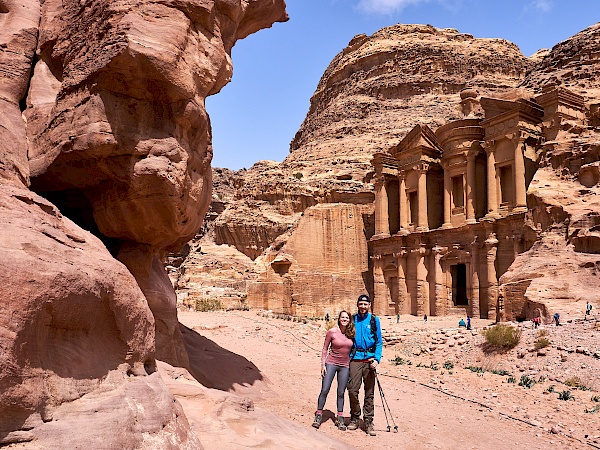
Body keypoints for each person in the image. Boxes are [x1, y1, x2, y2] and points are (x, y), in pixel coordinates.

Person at [313, 311, 355, 431]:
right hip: (331, 363)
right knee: (325, 389)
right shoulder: (332, 332)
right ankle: (319, 414)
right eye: (342, 317)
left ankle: (340, 417)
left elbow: (354, 350)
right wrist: (323, 364)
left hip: (345, 366)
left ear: (349, 320)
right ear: (339, 319)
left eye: (347, 318)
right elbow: (325, 348)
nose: (344, 319)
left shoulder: (351, 334)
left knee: (341, 392)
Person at [347, 294, 382, 436]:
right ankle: (355, 417)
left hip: (369, 360)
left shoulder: (374, 320)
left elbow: (379, 341)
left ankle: (368, 421)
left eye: (365, 304)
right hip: (355, 359)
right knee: (352, 390)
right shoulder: (353, 319)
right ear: (357, 305)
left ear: (369, 305)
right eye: (360, 304)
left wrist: (377, 359)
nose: (362, 307)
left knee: (369, 392)